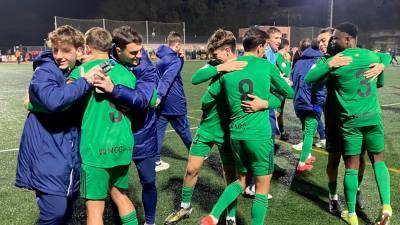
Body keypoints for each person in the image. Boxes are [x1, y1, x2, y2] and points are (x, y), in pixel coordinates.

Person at [200, 27, 294, 225]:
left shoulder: (230, 67)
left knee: (241, 181)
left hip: (236, 135)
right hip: (259, 136)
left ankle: (214, 215)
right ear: (260, 47)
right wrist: (265, 102)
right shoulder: (266, 66)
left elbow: (206, 98)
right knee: (261, 189)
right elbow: (289, 93)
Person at [306, 22, 392, 225]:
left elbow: (312, 80)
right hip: (371, 117)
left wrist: (329, 66)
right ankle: (385, 204)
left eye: (334, 38)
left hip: (348, 121)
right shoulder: (371, 56)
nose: (330, 43)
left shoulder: (337, 62)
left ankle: (351, 213)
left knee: (351, 165)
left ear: (347, 39)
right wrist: (382, 64)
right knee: (376, 160)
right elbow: (380, 76)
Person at [15, 25, 93, 225]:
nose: (58, 55)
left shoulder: (74, 70)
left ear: (79, 50)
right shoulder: (45, 70)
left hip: (68, 153)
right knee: (55, 214)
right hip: (47, 153)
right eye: (55, 50)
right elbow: (54, 100)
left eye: (66, 51)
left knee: (67, 209)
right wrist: (84, 82)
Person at [68, 27, 138, 225]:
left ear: (87, 48)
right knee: (121, 196)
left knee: (95, 209)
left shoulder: (83, 71)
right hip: (123, 145)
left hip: (96, 148)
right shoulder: (126, 73)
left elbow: (61, 99)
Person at [103, 26, 159, 225]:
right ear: (118, 50)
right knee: (117, 189)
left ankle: (150, 221)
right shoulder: (105, 60)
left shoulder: (146, 66)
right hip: (115, 134)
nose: (139, 55)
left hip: (142, 133)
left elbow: (142, 100)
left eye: (140, 50)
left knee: (148, 182)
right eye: (133, 52)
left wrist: (113, 89)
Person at [155, 31, 192, 172]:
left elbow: (170, 72)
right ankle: (196, 153)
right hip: (174, 102)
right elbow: (168, 78)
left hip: (161, 104)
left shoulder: (161, 58)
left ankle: (156, 161)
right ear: (177, 44)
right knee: (183, 129)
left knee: (158, 131)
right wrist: (159, 95)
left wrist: (181, 60)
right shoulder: (174, 60)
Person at [290, 38, 325, 172]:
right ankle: (302, 163)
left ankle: (307, 154)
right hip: (312, 103)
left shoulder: (298, 62)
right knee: (310, 132)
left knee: (306, 130)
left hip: (298, 103)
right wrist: (318, 104)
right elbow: (321, 87)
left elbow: (292, 82)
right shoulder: (320, 61)